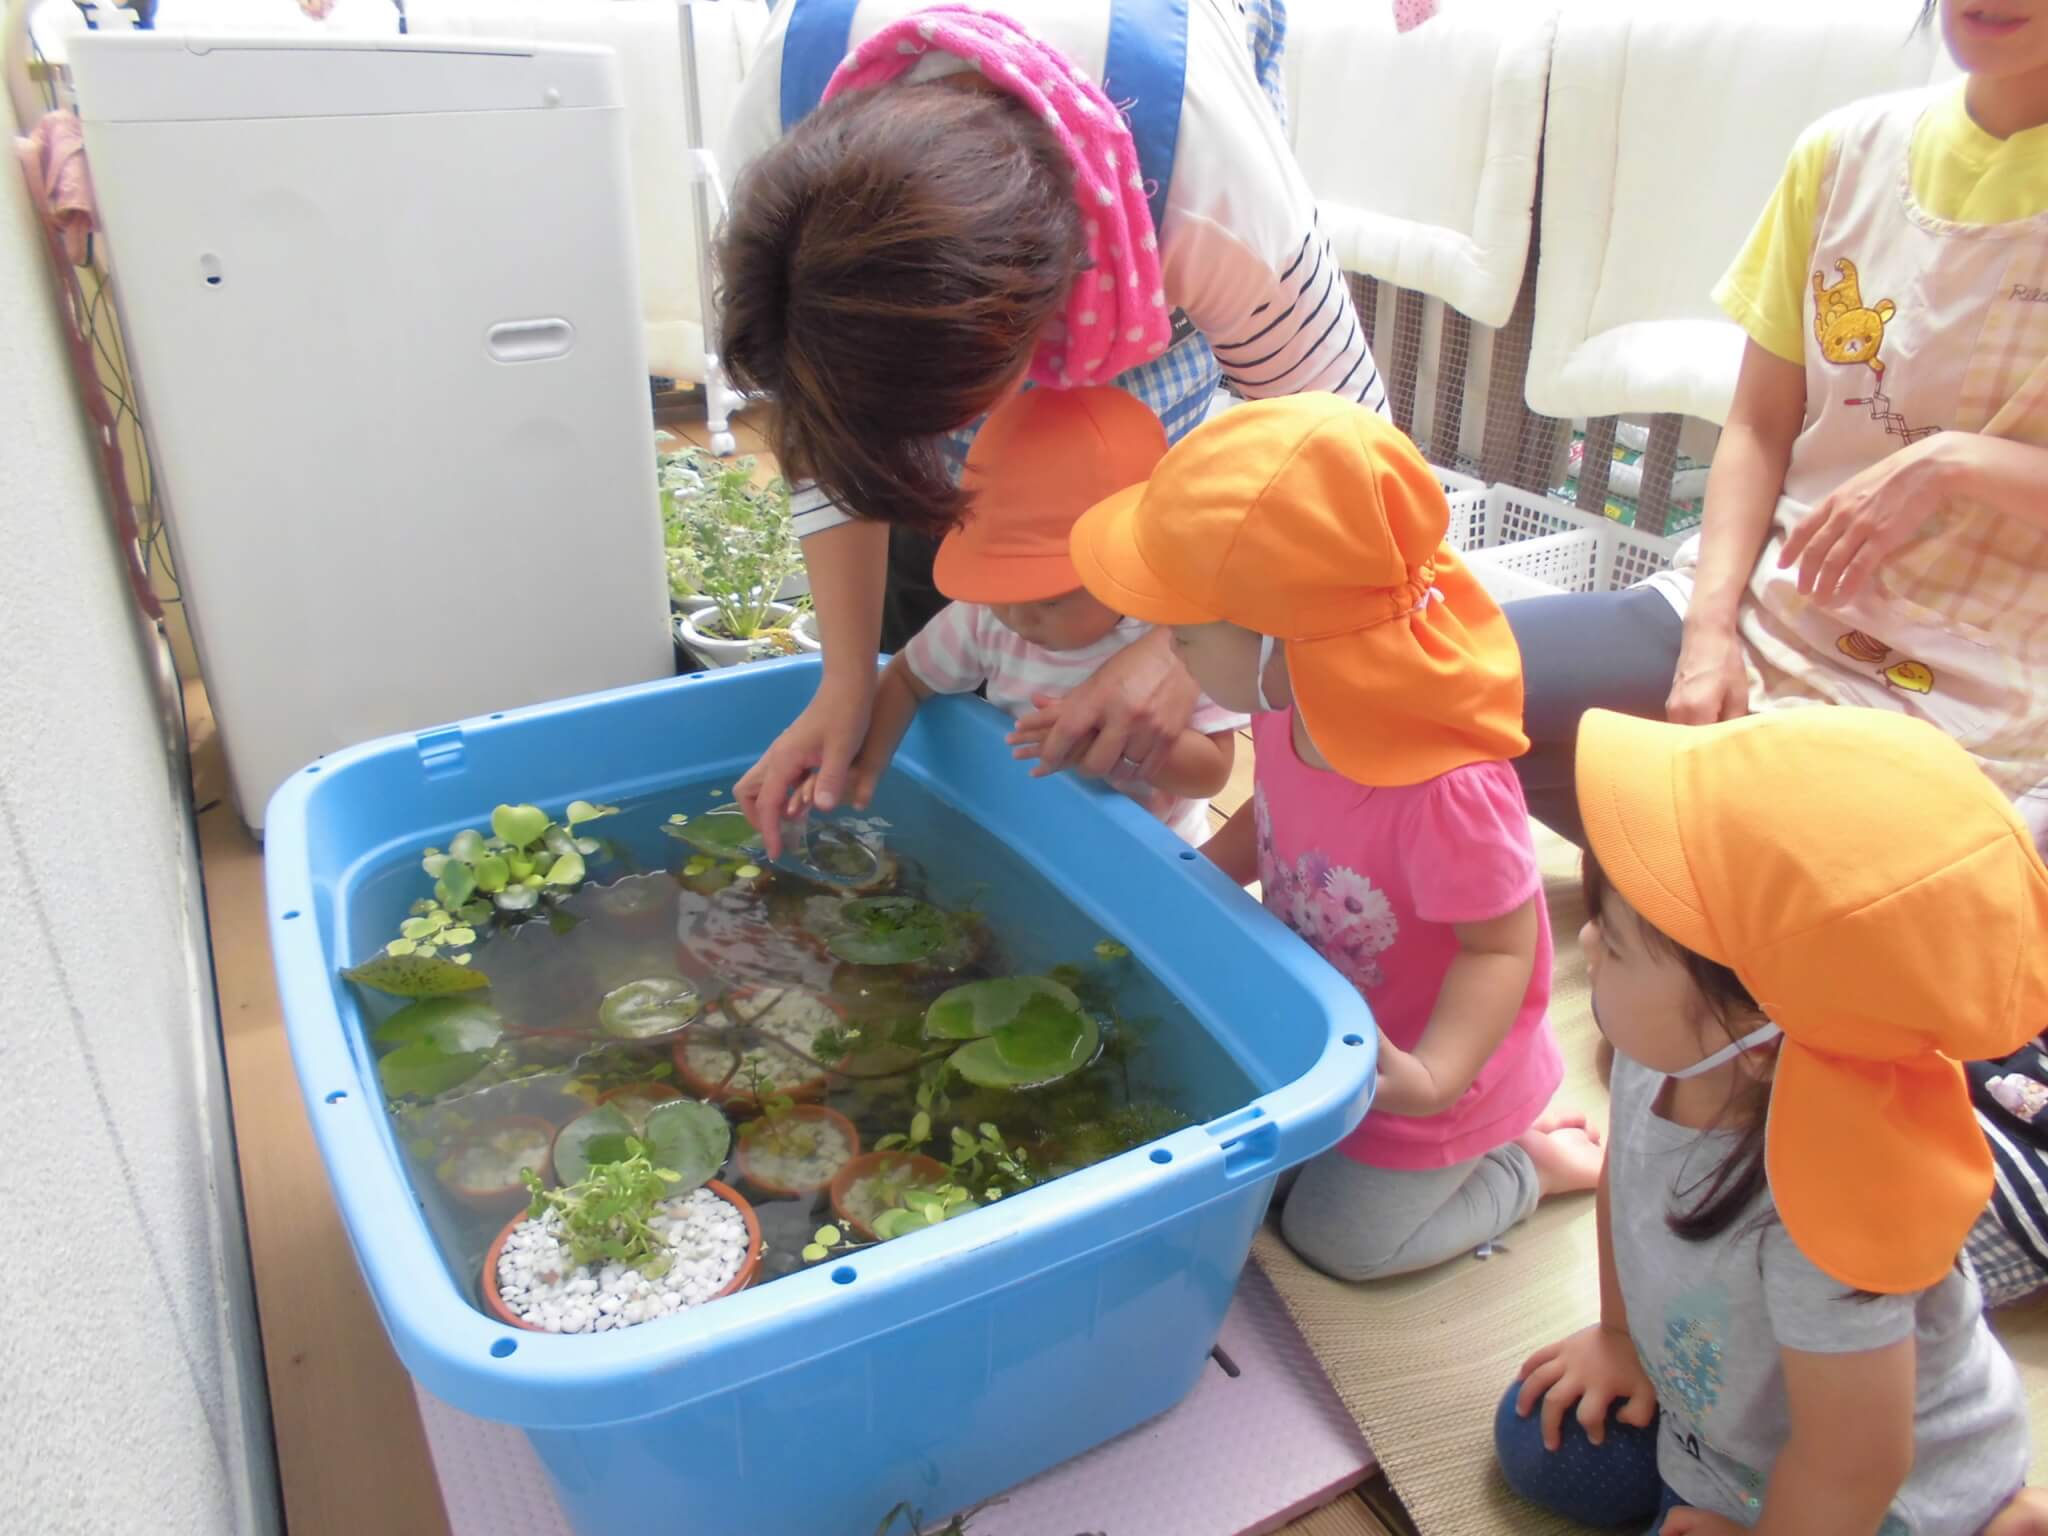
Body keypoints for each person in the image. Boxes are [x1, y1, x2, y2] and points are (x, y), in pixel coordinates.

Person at [715, 0, 1391, 854]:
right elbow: (828, 424)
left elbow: (1356, 474)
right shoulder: (780, 135)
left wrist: (1181, 649)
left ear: (1041, 329)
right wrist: (848, 679)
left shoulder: (1214, 194)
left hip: (1151, 171)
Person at [1069, 393, 1600, 1281]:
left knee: (1337, 1243)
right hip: (1327, 1017)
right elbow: (1276, 818)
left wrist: (1434, 1077)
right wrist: (1192, 880)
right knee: (1237, 1173)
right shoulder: (1292, 697)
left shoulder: (1445, 789)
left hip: (1429, 1065)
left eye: (1186, 636)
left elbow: (1502, 948)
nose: (1173, 654)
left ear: (1280, 638)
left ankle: (1523, 1166)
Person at [1507, 0, 2048, 852]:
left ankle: (1712, 893)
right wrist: (1708, 632)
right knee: (1424, 689)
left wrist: (1956, 463)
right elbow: (1759, 426)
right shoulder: (1843, 153)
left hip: (1986, 677)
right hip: (1770, 600)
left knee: (1868, 876)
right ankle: (1698, 888)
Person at [1496, 706, 2048, 1536]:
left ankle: (1998, 1516)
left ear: (1757, 1032)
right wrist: (1619, 1336)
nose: (1586, 943)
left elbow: (1853, 1465)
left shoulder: (1831, 1221)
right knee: (1538, 1442)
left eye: (1615, 941)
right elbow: (1624, 1184)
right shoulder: (1674, 1053)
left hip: (1878, 1496)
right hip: (1725, 1421)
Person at [837, 386, 1243, 838]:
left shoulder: (1183, 635)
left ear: (1134, 565)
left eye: (1050, 599)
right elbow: (905, 679)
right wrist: (866, 768)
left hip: (1150, 845)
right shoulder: (983, 619)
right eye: (1000, 583)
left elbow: (1212, 772)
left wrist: (1115, 738)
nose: (1017, 616)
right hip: (1028, 827)